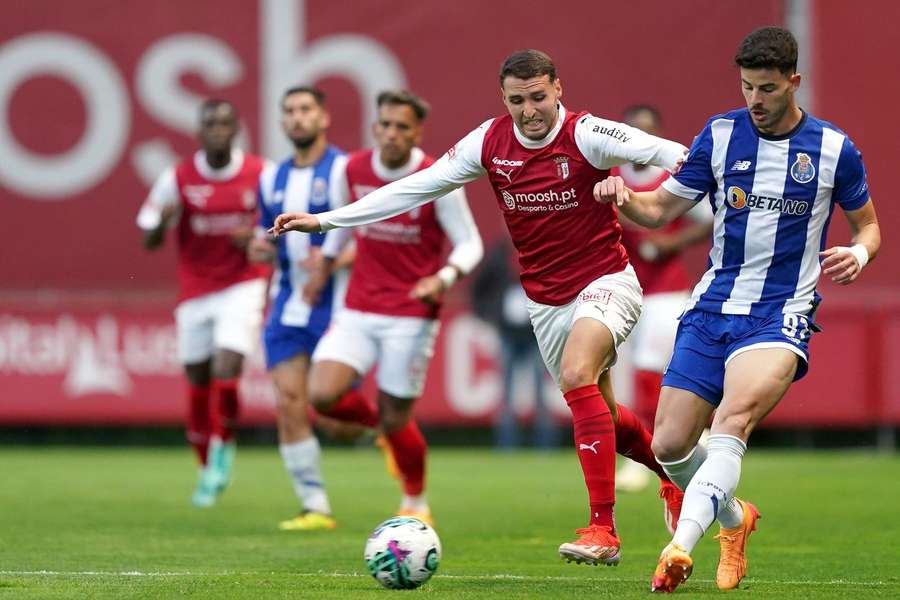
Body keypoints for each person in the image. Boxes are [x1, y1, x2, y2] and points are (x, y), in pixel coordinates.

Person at [269, 49, 689, 566]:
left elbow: (672, 154)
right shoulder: (489, 141)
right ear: (503, 98)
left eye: (538, 96)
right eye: (517, 100)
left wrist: (654, 183)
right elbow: (413, 187)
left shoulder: (589, 134)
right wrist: (325, 221)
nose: (529, 110)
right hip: (544, 299)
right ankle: (674, 481)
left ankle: (603, 528)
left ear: (558, 88)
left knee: (580, 375)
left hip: (606, 280)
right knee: (599, 410)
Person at [594, 27, 880, 592]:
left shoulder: (832, 149)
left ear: (793, 82)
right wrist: (623, 198)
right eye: (747, 86)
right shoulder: (720, 135)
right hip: (712, 307)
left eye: (767, 89)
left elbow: (868, 225)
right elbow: (660, 211)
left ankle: (680, 547)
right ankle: (734, 517)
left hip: (781, 313)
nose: (755, 100)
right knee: (669, 446)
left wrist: (860, 252)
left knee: (731, 423)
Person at [301, 89, 483, 526]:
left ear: (417, 131)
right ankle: (382, 431)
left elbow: (469, 242)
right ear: (374, 127)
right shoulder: (353, 168)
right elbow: (346, 222)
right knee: (322, 394)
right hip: (359, 306)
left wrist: (442, 278)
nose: (392, 134)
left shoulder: (437, 176)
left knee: (397, 415)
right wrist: (325, 265)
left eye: (402, 126)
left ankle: (415, 500)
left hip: (410, 313)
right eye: (385, 125)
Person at [136, 99, 268, 507]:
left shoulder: (259, 173)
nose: (216, 130)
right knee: (197, 379)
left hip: (242, 285)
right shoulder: (178, 178)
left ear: (235, 129)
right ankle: (205, 470)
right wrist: (163, 222)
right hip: (196, 290)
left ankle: (223, 448)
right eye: (209, 124)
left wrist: (259, 238)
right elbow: (148, 237)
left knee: (227, 368)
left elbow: (277, 227)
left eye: (224, 123)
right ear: (199, 132)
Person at [249, 86, 362, 531]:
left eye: (305, 110)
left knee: (336, 419)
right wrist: (261, 247)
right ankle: (315, 505)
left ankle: (379, 430)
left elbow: (368, 233)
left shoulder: (343, 169)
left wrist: (334, 261)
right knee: (289, 401)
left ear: (324, 117)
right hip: (286, 306)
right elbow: (266, 238)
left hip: (338, 308)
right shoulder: (270, 178)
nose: (297, 118)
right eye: (289, 111)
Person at [611, 105, 713, 493]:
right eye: (631, 132)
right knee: (630, 373)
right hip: (623, 286)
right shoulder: (611, 177)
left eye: (646, 132)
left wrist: (670, 242)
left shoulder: (674, 178)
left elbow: (708, 219)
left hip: (666, 291)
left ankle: (665, 448)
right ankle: (659, 448)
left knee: (652, 369)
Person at [471, 239, 558, 450]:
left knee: (540, 392)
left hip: (535, 335)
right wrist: (489, 315)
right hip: (508, 333)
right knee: (506, 393)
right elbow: (478, 289)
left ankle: (545, 446)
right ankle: (506, 445)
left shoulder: (539, 249)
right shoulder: (499, 255)